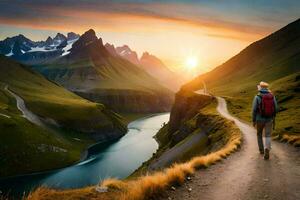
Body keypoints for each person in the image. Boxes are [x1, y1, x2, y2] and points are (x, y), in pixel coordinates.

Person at [252, 81, 278, 160]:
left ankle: (261, 150)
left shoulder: (257, 97)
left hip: (259, 120)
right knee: (268, 135)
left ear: (260, 87)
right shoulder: (272, 96)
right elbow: (276, 108)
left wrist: (253, 120)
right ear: (267, 88)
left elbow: (254, 110)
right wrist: (272, 117)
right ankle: (267, 149)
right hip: (269, 119)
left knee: (259, 134)